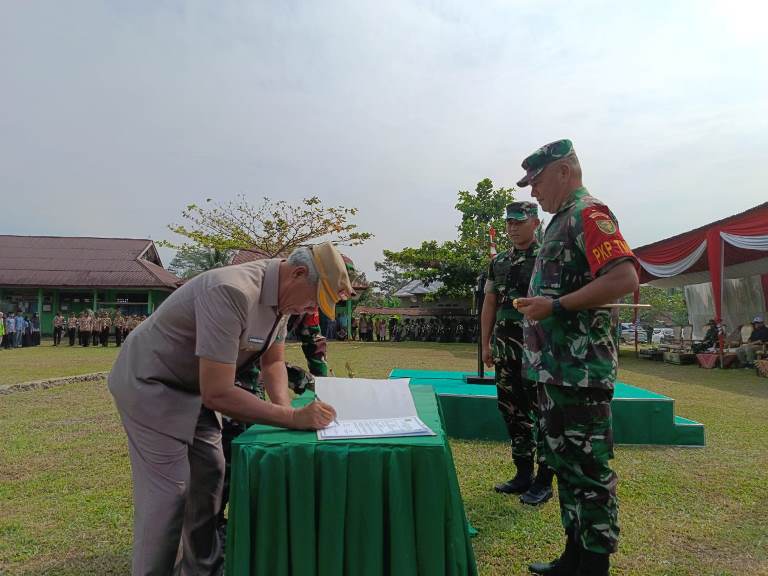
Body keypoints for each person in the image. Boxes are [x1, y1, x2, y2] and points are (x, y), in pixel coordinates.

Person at [108, 242, 350, 576]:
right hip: (151, 384)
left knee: (210, 475)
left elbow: (274, 361)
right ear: (296, 273)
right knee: (170, 493)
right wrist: (292, 417)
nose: (310, 309)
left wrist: (284, 408)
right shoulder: (231, 291)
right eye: (313, 298)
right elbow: (219, 393)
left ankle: (202, 569)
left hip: (193, 389)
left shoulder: (280, 298)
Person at [515, 139, 639, 576]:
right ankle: (573, 557)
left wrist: (558, 306)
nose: (533, 192)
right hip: (556, 370)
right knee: (566, 469)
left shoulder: (590, 214)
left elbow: (624, 277)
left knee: (589, 473)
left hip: (581, 372)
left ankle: (594, 566)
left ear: (564, 171)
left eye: (538, 180)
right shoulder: (558, 222)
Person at [481, 201, 554, 506]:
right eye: (509, 223)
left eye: (519, 222)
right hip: (505, 347)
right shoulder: (499, 263)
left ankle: (543, 480)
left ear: (535, 223)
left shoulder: (549, 257)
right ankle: (522, 474)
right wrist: (486, 343)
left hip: (539, 349)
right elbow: (490, 303)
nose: (512, 228)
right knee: (512, 411)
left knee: (543, 414)